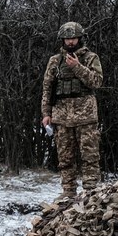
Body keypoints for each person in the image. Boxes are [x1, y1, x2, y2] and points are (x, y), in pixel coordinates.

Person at [40, 21, 105, 198]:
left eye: (73, 38)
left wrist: (77, 67)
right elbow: (47, 88)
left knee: (90, 156)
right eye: (67, 39)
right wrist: (46, 113)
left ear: (80, 38)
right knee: (65, 158)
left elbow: (96, 82)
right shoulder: (55, 61)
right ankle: (68, 191)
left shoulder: (90, 58)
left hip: (85, 115)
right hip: (61, 116)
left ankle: (90, 192)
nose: (70, 42)